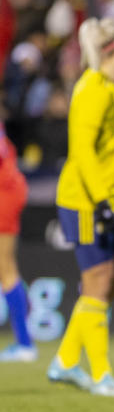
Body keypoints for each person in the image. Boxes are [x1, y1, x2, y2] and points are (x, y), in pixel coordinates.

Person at [47, 16, 114, 397]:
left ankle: (66, 361)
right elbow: (82, 153)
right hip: (85, 201)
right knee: (98, 281)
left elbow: (107, 153)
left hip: (109, 196)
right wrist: (102, 200)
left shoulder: (112, 89)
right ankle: (100, 373)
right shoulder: (92, 89)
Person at [0, 119, 36, 362]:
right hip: (10, 190)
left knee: (5, 267)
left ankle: (25, 343)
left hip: (4, 192)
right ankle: (24, 341)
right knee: (7, 266)